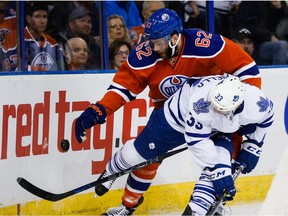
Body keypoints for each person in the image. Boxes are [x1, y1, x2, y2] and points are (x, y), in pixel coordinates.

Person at [75, 8, 261, 215]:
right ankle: (127, 205)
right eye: (151, 42)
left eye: (159, 43)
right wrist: (98, 110)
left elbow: (248, 70)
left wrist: (242, 109)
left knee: (226, 154)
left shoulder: (206, 44)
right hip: (168, 114)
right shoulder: (145, 55)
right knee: (147, 157)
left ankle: (213, 202)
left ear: (175, 37)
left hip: (213, 112)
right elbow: (123, 89)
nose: (154, 48)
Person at [88, 75, 274, 215]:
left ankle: (199, 207)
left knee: (223, 158)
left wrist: (254, 145)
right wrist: (219, 173)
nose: (215, 109)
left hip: (221, 127)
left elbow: (266, 119)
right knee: (137, 155)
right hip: (175, 120)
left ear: (237, 105)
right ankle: (113, 167)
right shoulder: (201, 105)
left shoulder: (258, 103)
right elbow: (198, 143)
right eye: (215, 106)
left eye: (221, 109)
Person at [0, 2, 65, 71]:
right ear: (28, 19)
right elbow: (10, 70)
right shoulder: (14, 38)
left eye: (44, 17)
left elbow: (61, 69)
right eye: (37, 16)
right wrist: (36, 70)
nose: (42, 21)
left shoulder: (53, 43)